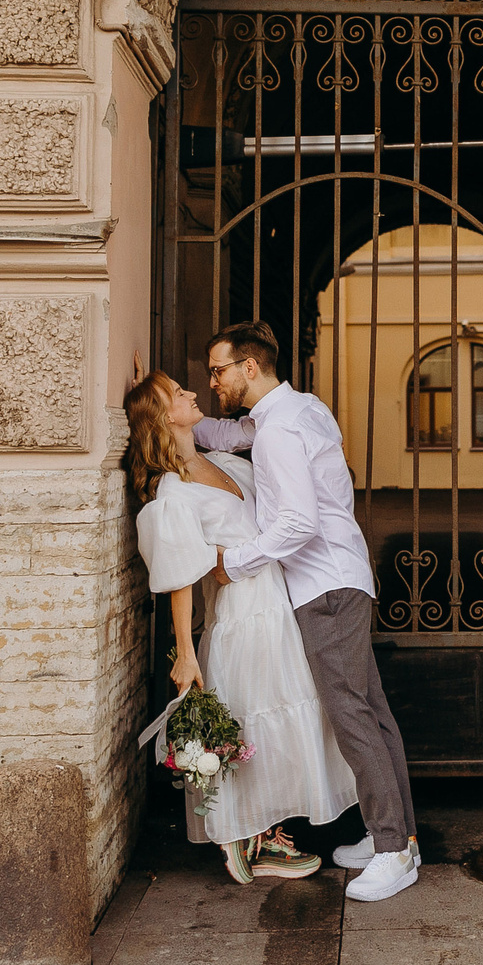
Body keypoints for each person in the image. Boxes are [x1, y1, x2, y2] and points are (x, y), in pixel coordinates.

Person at [196, 320, 421, 902]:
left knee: (351, 716)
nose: (212, 381)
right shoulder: (297, 410)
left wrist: (234, 563)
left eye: (219, 370)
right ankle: (393, 835)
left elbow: (298, 523)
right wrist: (174, 414)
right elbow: (225, 433)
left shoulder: (277, 431)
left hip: (323, 590)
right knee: (371, 713)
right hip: (344, 579)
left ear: (251, 367)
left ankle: (394, 851)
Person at [124, 370, 355, 884]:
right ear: (162, 417)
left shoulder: (219, 460)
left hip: (275, 604)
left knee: (282, 717)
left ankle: (266, 833)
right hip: (242, 616)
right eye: (176, 393)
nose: (191, 392)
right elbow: (180, 573)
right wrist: (185, 651)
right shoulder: (172, 489)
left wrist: (149, 382)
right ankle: (245, 838)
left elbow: (257, 425)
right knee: (258, 718)